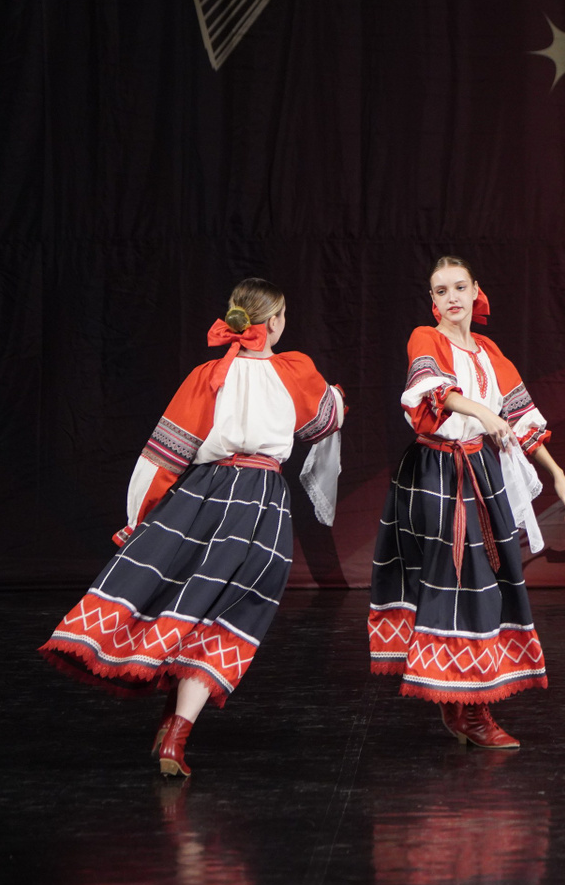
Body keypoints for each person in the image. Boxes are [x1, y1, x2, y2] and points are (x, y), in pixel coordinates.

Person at [40, 279, 347, 777]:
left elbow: (163, 454)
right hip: (260, 502)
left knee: (188, 597)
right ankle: (177, 731)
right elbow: (325, 420)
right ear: (274, 323)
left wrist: (137, 520)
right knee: (234, 613)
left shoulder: (209, 375)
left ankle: (172, 725)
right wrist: (334, 397)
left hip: (203, 496)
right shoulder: (295, 371)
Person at [369, 257, 565, 752]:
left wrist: (557, 472)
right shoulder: (426, 338)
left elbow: (521, 418)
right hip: (437, 471)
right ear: (433, 300)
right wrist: (482, 412)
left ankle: (464, 703)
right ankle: (468, 708)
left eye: (460, 287)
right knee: (454, 581)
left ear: (475, 290)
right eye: (442, 291)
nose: (452, 298)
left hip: (480, 471)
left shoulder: (489, 352)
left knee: (487, 581)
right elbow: (434, 393)